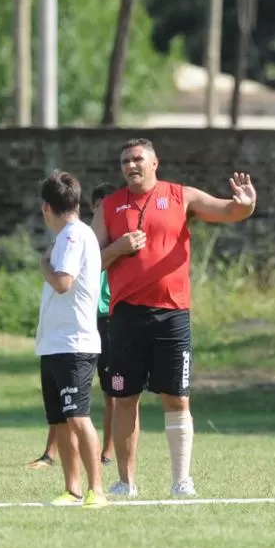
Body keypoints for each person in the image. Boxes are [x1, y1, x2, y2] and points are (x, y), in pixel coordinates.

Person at [93, 138, 257, 497]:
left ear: (155, 163)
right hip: (124, 316)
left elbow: (228, 211)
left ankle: (182, 481)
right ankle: (125, 482)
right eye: (124, 162)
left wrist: (245, 205)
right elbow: (89, 262)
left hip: (172, 314)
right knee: (125, 398)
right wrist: (118, 249)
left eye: (137, 159)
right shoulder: (108, 206)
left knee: (177, 398)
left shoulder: (181, 196)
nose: (131, 166)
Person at [26, 182, 117, 470]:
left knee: (77, 417)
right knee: (62, 420)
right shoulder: (71, 234)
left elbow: (63, 282)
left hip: (73, 343)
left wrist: (43, 264)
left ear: (45, 207)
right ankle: (72, 488)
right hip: (56, 343)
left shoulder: (73, 236)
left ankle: (96, 489)